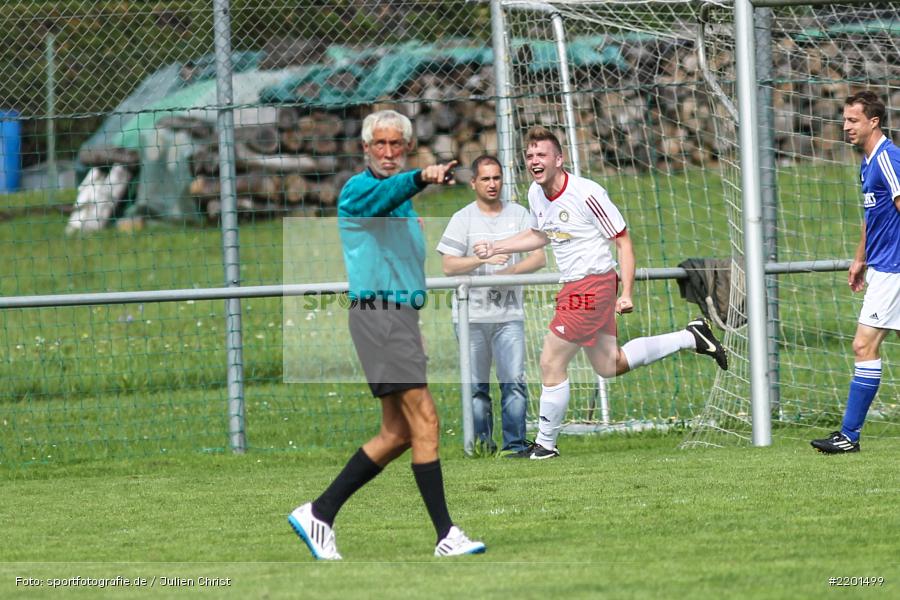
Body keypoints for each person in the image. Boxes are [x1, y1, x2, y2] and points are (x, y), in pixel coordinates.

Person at [288, 109, 486, 558]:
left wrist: (413, 325)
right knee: (427, 421)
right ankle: (446, 535)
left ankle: (319, 513)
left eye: (398, 145)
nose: (390, 152)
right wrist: (422, 177)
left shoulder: (403, 204)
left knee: (397, 433)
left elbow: (407, 269)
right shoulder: (360, 190)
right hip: (378, 317)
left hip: (397, 319)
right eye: (381, 144)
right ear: (365, 148)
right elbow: (385, 193)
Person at [475, 126, 728, 460]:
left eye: (542, 155)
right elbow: (540, 235)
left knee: (550, 360)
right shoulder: (536, 194)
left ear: (559, 159)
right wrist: (497, 245)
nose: (534, 161)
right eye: (530, 155)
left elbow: (623, 242)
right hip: (573, 287)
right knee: (610, 364)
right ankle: (691, 336)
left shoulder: (586, 193)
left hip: (593, 286)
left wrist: (627, 292)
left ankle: (545, 446)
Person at [437, 155, 546, 457]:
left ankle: (515, 446)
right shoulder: (463, 219)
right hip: (471, 318)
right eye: (485, 178)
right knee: (476, 387)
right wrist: (482, 260)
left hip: (509, 315)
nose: (492, 184)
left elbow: (538, 258)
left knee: (513, 382)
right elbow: (449, 266)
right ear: (473, 182)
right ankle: (482, 446)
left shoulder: (520, 215)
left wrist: (506, 274)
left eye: (496, 177)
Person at [811, 91, 900, 454]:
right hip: (881, 267)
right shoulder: (867, 162)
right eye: (845, 120)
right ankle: (849, 435)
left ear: (873, 121)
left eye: (853, 120)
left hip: (895, 270)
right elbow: (873, 216)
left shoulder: (889, 159)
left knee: (863, 345)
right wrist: (859, 258)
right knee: (865, 345)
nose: (845, 126)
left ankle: (849, 436)